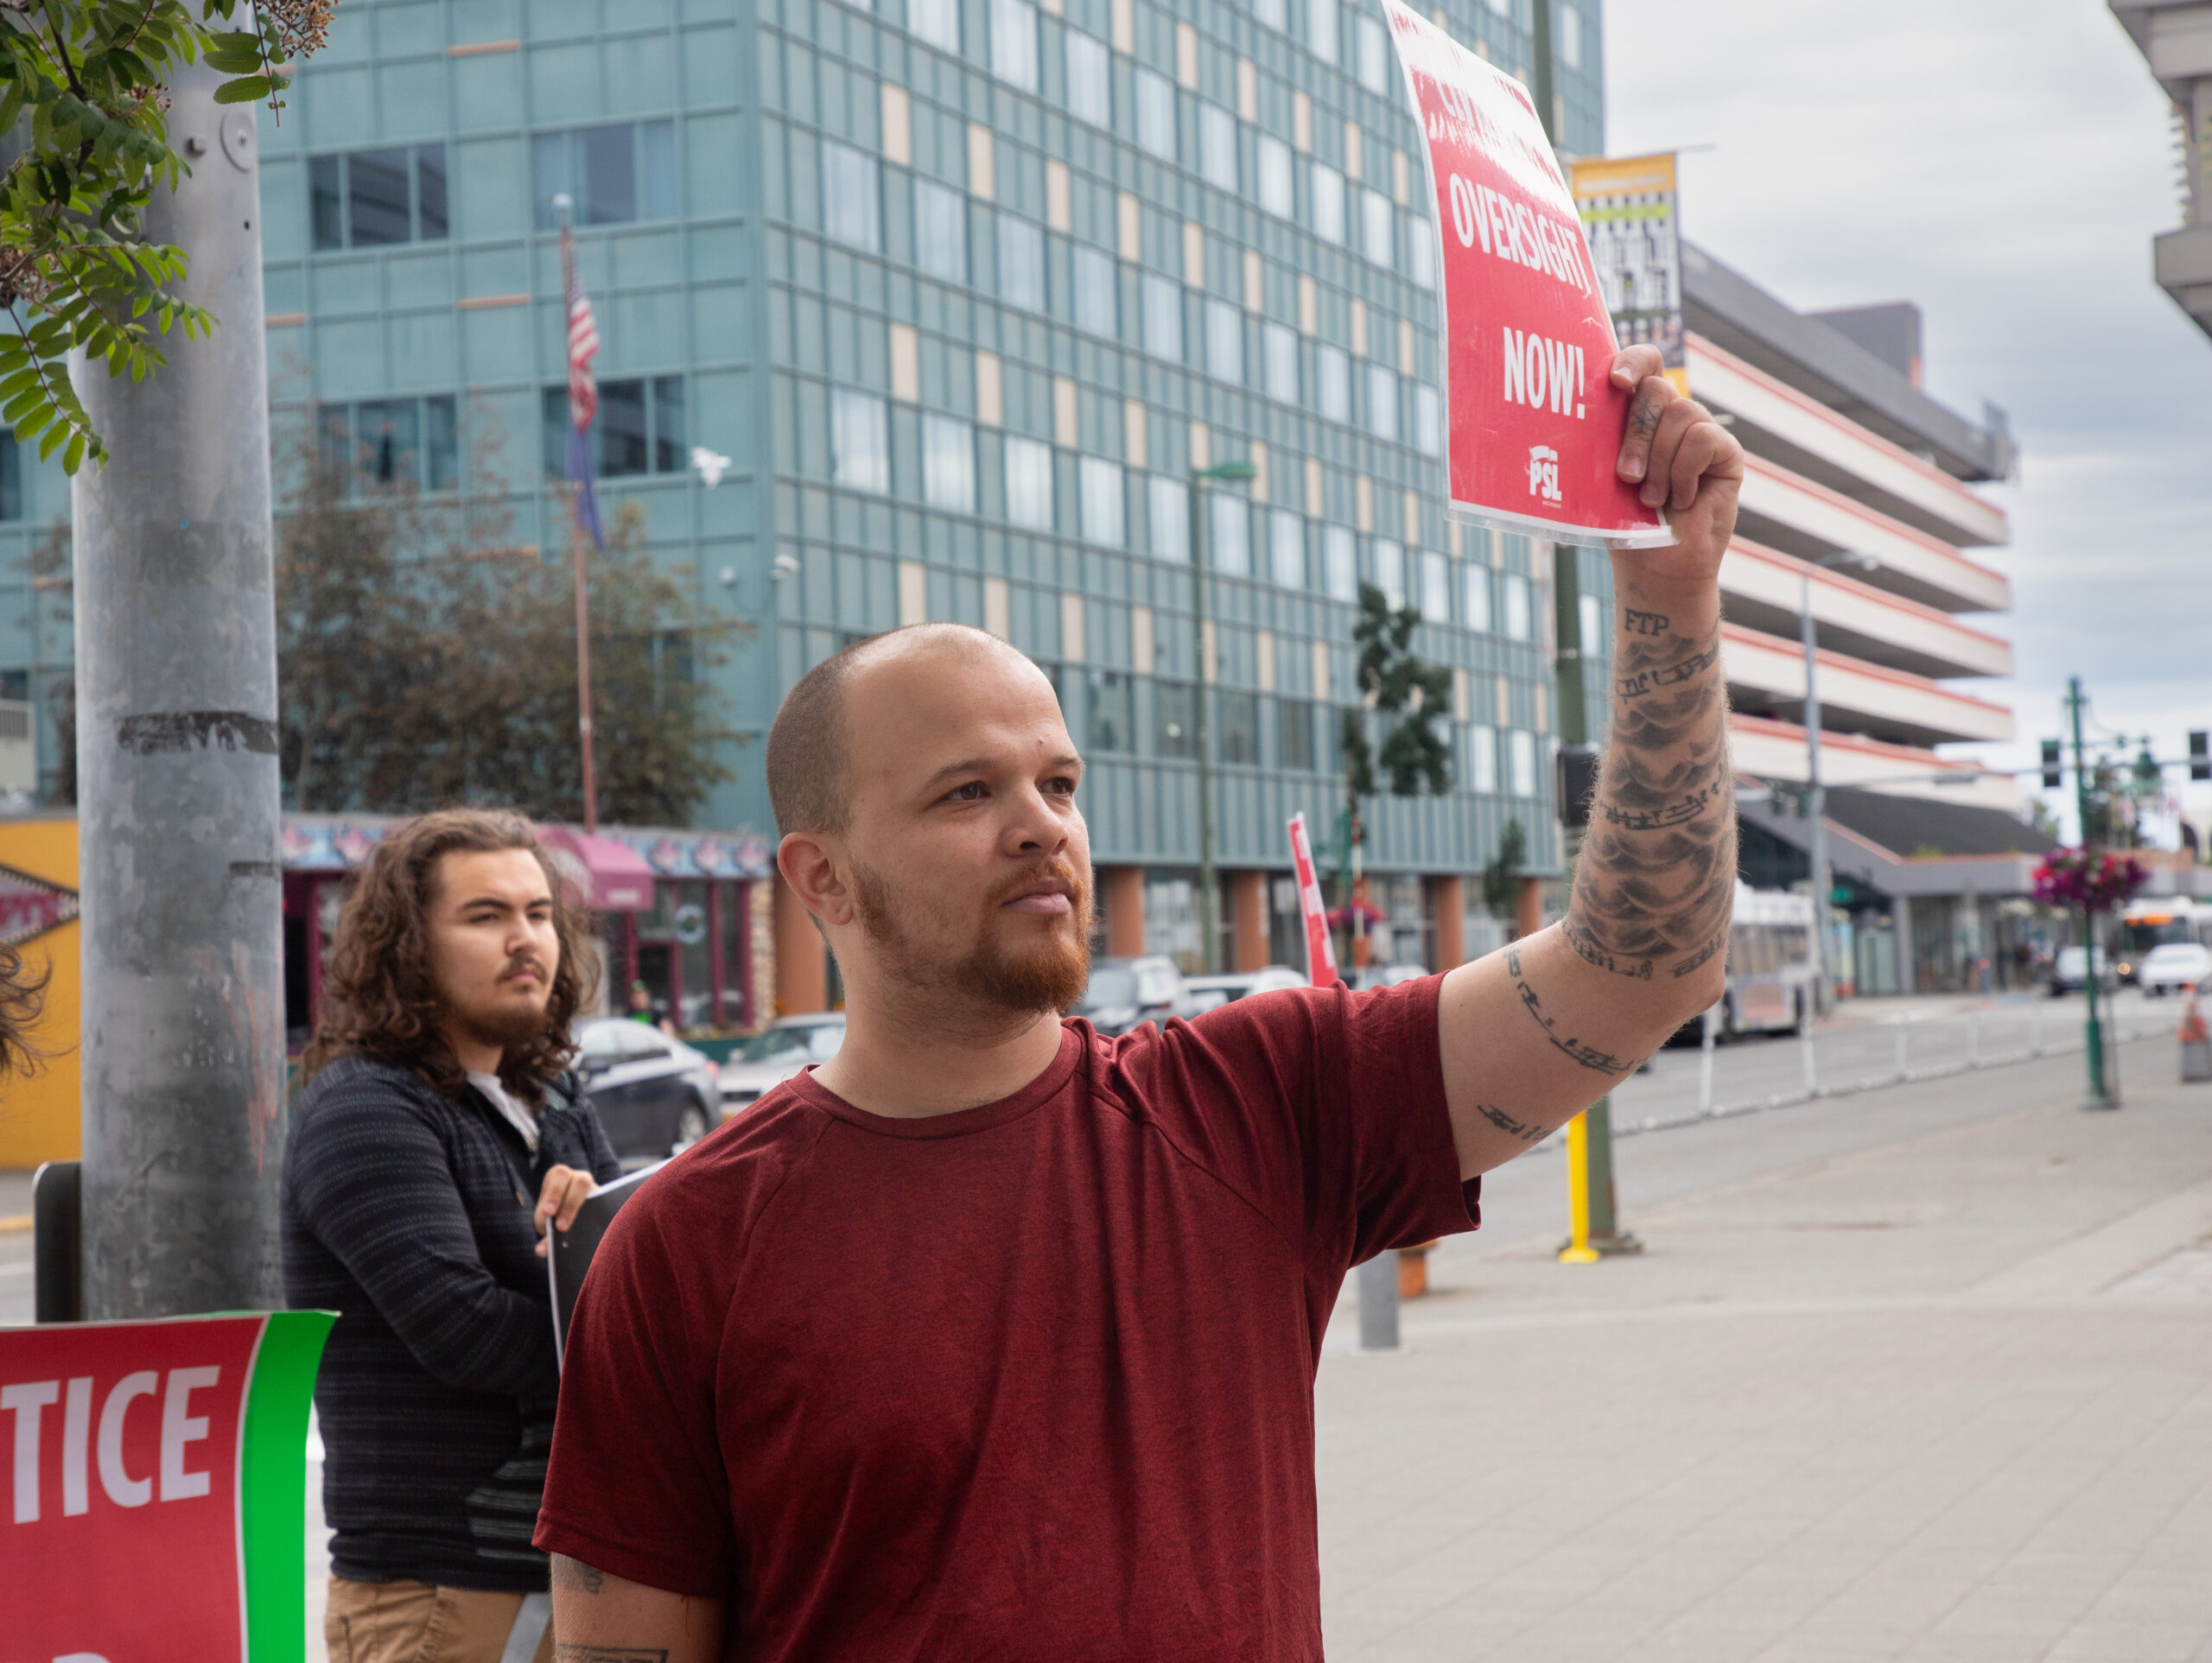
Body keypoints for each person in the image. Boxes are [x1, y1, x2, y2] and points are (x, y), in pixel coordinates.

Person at [536, 344, 1743, 1660]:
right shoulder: (686, 1243)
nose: (1041, 827)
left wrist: (1668, 593)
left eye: (1059, 782)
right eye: (967, 792)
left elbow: (1643, 965)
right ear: (821, 875)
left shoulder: (1264, 1099)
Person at [284, 809, 624, 1663]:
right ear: (409, 945)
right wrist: (628, 1312)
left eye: (540, 912)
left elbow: (629, 1271)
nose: (526, 939)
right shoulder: (366, 1105)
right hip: (441, 1594)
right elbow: (465, 1331)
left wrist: (606, 1255)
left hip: (573, 1573)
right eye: (486, 915)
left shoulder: (553, 1097)